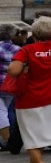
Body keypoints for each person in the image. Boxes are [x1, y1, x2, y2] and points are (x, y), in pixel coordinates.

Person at [8, 0, 51, 163]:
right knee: (41, 134)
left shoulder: (28, 50)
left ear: (33, 33)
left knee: (30, 136)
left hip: (29, 98)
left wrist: (23, 66)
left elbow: (13, 70)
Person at [0, 23, 23, 151]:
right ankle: (12, 137)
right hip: (12, 84)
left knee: (1, 112)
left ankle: (8, 140)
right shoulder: (18, 49)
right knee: (9, 110)